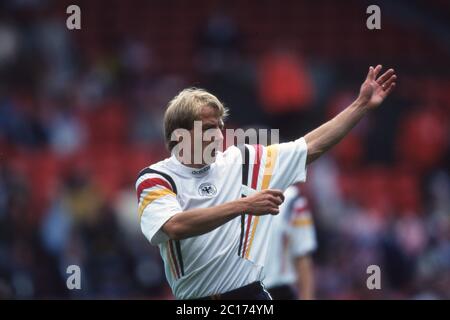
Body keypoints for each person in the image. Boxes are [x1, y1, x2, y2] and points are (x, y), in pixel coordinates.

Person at [135, 65, 396, 299]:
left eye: (218, 127)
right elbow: (174, 226)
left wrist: (360, 106)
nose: (216, 135)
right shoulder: (156, 178)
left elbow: (311, 146)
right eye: (206, 128)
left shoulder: (245, 161)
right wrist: (243, 205)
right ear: (179, 135)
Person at [264, 184, 317, 300]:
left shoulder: (292, 198)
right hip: (237, 292)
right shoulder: (231, 192)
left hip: (278, 290)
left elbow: (302, 253)